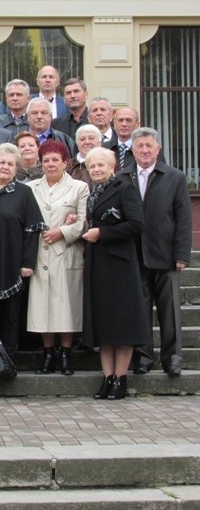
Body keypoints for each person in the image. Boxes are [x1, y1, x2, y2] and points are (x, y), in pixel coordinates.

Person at [121, 128, 192, 376]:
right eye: (139, 146)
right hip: (135, 256)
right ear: (132, 150)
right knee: (139, 311)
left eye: (149, 146)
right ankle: (143, 358)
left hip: (166, 255)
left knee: (169, 311)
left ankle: (172, 358)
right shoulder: (123, 177)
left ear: (158, 149)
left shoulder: (175, 177)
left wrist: (182, 254)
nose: (144, 150)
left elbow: (183, 218)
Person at [81, 147, 149, 400]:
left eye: (101, 165)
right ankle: (107, 377)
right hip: (98, 264)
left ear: (112, 167)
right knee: (103, 324)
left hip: (120, 265)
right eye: (92, 166)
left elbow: (136, 224)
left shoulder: (124, 188)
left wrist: (102, 234)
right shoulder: (93, 192)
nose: (96, 169)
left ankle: (121, 378)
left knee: (122, 323)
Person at [0, 143, 45, 358]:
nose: (5, 167)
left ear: (16, 168)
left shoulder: (24, 193)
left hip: (12, 263)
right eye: (2, 162)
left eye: (11, 164)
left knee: (11, 315)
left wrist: (27, 263)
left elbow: (32, 230)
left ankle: (8, 360)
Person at [27, 141, 89, 375]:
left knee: (66, 306)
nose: (51, 164)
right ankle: (47, 354)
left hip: (66, 252)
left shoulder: (79, 188)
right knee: (43, 308)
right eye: (46, 160)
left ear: (66, 162)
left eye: (56, 160)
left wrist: (62, 231)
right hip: (40, 253)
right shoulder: (31, 187)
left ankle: (65, 354)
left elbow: (84, 221)